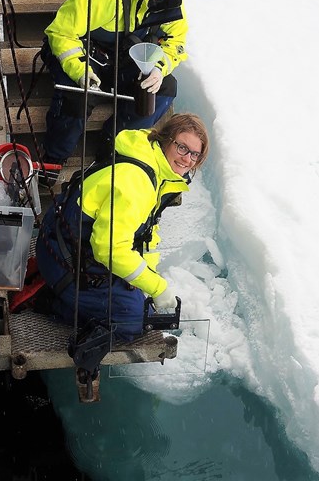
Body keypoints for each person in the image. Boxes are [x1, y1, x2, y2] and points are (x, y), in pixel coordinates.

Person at [35, 113, 209, 342]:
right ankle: (53, 302)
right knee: (134, 321)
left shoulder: (152, 166)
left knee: (137, 299)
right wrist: (156, 287)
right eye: (182, 148)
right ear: (166, 140)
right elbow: (109, 249)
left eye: (194, 154)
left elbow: (146, 231)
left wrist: (147, 275)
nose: (187, 159)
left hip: (67, 243)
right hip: (63, 260)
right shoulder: (136, 182)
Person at [40, 0, 188, 174]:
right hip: (86, 56)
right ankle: (54, 158)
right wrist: (80, 70)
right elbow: (61, 33)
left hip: (124, 60)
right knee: (78, 96)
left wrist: (160, 69)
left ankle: (114, 149)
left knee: (164, 88)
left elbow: (177, 42)